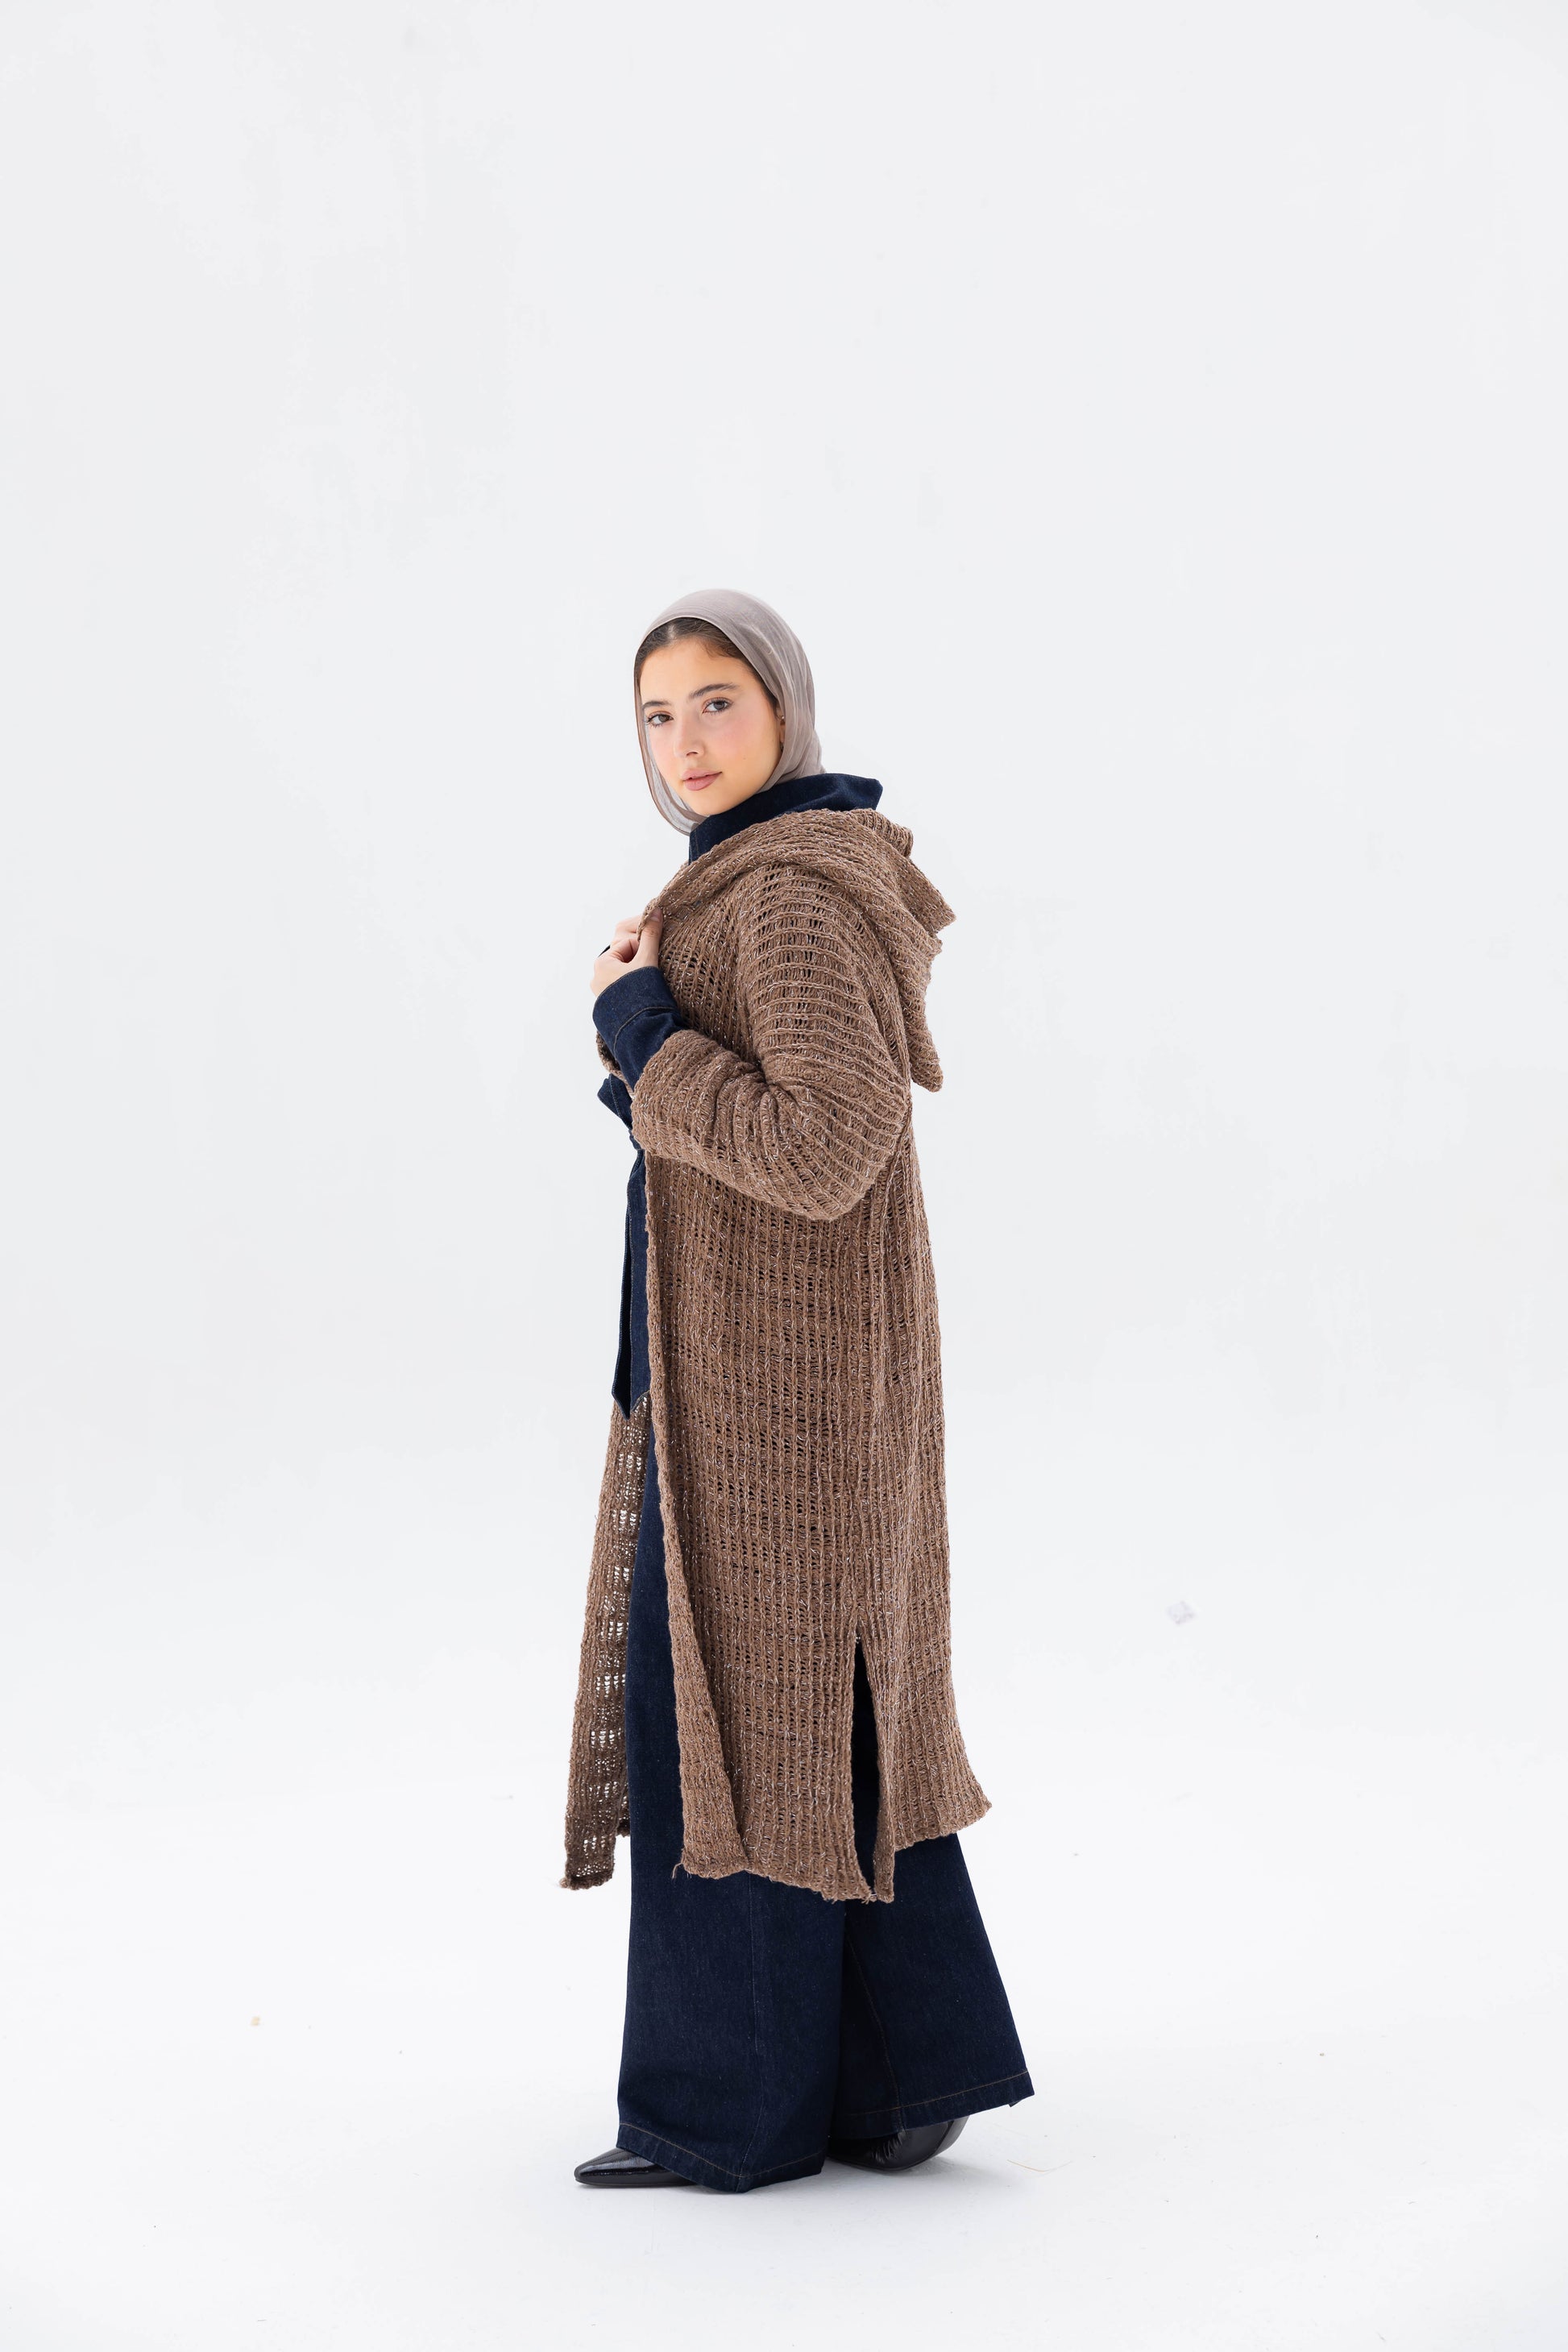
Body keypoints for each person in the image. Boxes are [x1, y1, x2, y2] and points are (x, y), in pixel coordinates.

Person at [562, 589, 1032, 2193]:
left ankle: (728, 2113)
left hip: (776, 1395)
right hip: (774, 1368)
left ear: (785, 709)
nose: (685, 740)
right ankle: (897, 2082)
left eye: (718, 702)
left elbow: (824, 1146)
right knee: (817, 1711)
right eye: (657, 714)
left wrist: (640, 1033)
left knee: (726, 1724)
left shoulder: (781, 898)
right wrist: (646, 1050)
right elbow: (760, 1129)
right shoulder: (757, 878)